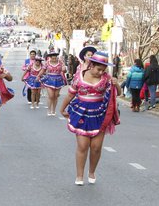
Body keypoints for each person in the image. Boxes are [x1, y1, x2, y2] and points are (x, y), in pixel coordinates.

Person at [59, 51, 119, 185]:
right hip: (81, 113)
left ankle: (91, 172)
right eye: (98, 69)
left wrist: (117, 84)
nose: (100, 72)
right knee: (83, 145)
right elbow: (70, 94)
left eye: (103, 70)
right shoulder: (79, 77)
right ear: (91, 65)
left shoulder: (106, 78)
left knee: (96, 147)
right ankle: (79, 175)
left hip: (99, 114)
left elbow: (117, 94)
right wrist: (62, 109)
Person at [39, 51, 67, 117]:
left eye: (55, 58)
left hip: (58, 79)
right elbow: (43, 70)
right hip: (49, 79)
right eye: (53, 58)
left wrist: (64, 69)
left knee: (55, 96)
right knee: (51, 96)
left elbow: (64, 70)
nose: (54, 59)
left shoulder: (60, 62)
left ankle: (53, 110)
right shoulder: (47, 63)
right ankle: (49, 109)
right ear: (50, 58)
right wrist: (38, 76)